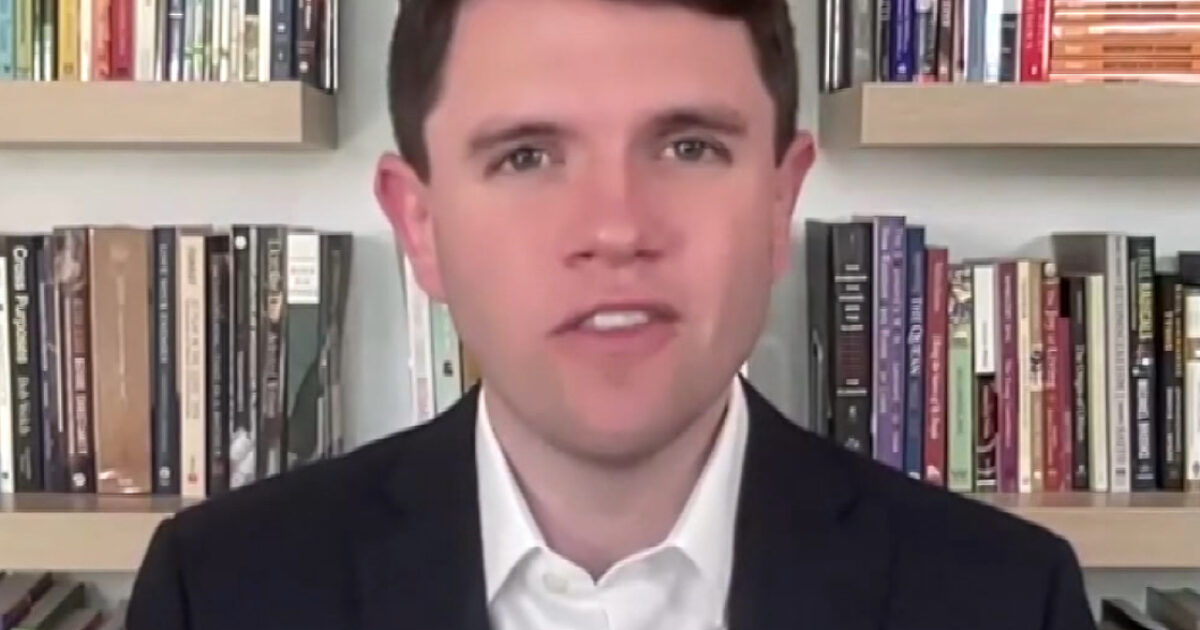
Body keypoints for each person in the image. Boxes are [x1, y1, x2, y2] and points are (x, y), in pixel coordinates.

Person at [126, 0, 1097, 629]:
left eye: (686, 147)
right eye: (527, 157)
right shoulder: (217, 595)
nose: (616, 229)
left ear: (776, 201)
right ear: (421, 225)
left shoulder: (1006, 601)